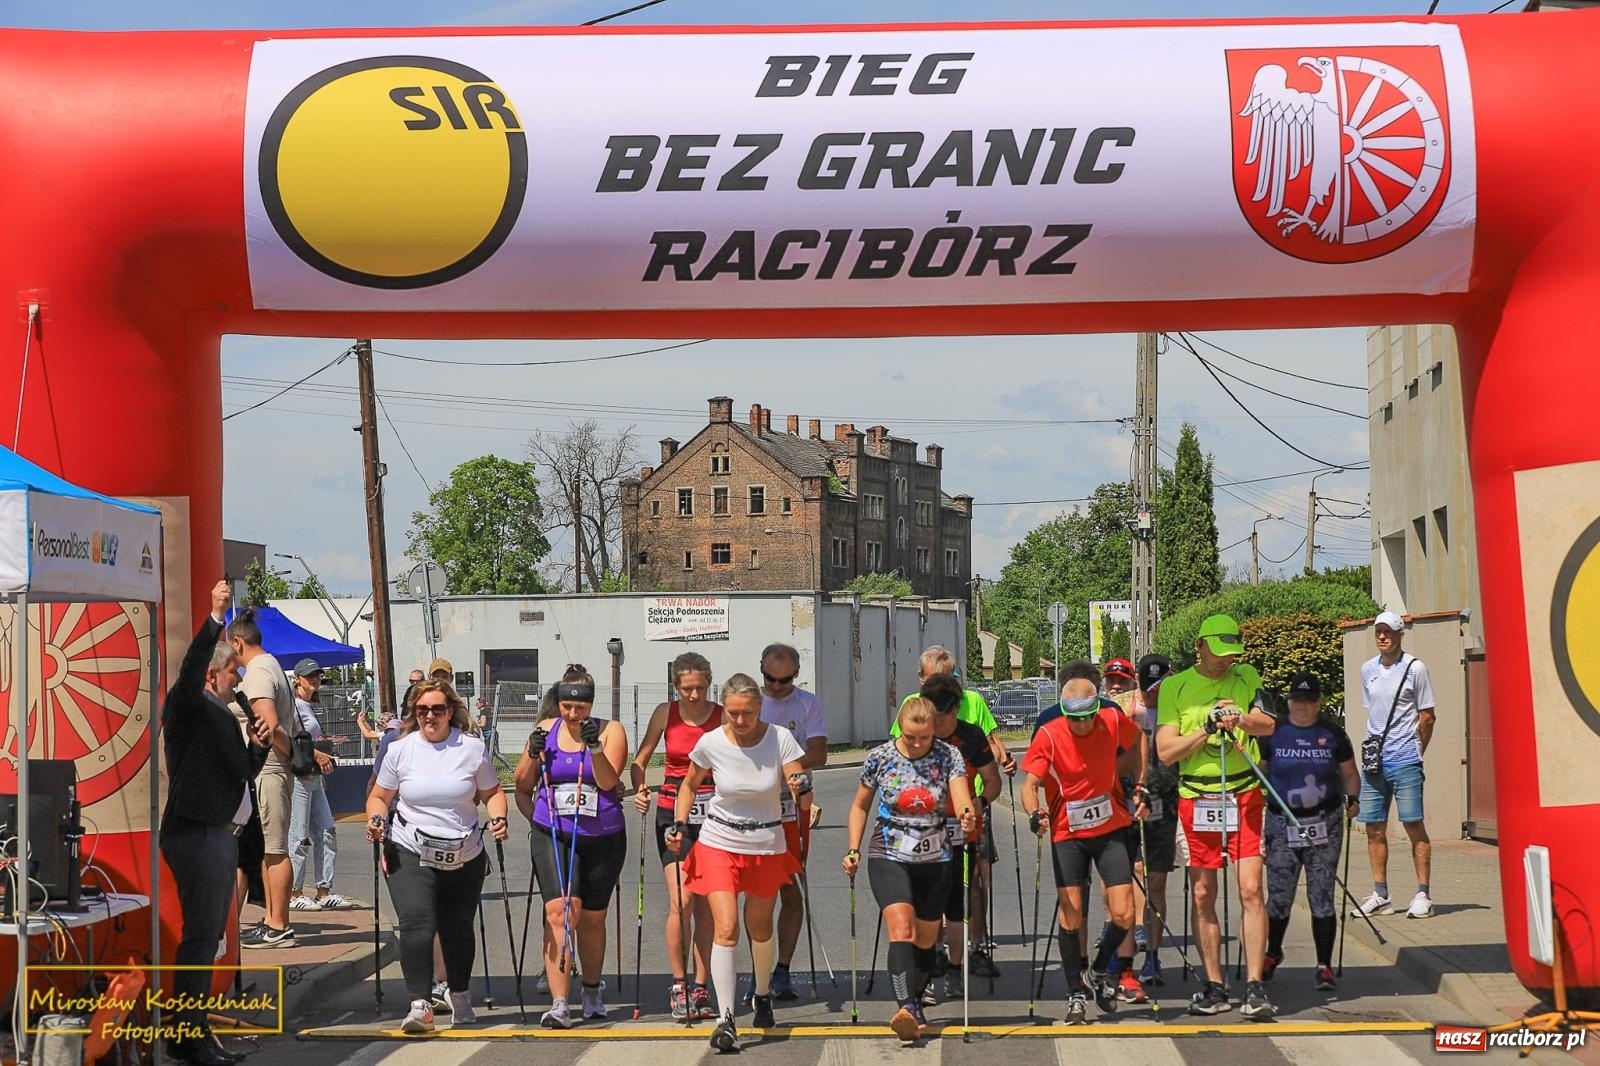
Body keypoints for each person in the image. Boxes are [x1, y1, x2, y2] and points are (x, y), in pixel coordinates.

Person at [665, 674, 806, 1053]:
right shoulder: (711, 742)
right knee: (725, 927)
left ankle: (762, 994)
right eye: (732, 713)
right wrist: (680, 823)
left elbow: (797, 779)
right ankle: (726, 1018)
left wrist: (801, 787)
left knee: (759, 927)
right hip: (718, 841)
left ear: (759, 709)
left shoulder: (780, 739)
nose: (739, 721)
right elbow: (689, 784)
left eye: (746, 713)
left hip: (765, 842)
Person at [160, 581, 267, 1066]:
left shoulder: (224, 716)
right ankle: (186, 1036)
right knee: (201, 936)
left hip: (219, 833)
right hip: (195, 830)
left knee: (208, 937)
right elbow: (186, 672)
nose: (237, 681)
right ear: (211, 673)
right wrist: (214, 617)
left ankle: (192, 1032)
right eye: (232, 672)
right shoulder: (188, 704)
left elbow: (242, 772)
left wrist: (260, 745)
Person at [1155, 614, 1280, 1020]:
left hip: (1243, 793)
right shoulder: (1176, 686)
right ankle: (1213, 985)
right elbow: (1165, 751)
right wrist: (1206, 730)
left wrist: (1239, 718)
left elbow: (1268, 724)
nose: (1227, 661)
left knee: (1250, 890)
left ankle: (1256, 986)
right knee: (1203, 893)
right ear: (1200, 646)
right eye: (1221, 653)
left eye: (1233, 654)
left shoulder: (1246, 676)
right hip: (1197, 797)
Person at [365, 681, 509, 1033]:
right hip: (409, 846)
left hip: (464, 851)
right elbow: (379, 795)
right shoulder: (400, 750)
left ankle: (459, 995)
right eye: (422, 710)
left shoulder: (471, 749)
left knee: (457, 928)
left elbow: (493, 793)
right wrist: (375, 819)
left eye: (438, 709)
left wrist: (499, 818)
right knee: (417, 922)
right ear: (415, 713)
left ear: (450, 712)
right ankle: (419, 1004)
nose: (430, 716)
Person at [843, 696, 978, 1041]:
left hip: (935, 858)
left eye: (925, 737)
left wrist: (966, 815)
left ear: (934, 731)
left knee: (926, 939)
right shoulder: (881, 757)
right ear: (899, 729)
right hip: (888, 852)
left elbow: (961, 796)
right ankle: (904, 1006)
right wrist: (854, 848)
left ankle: (916, 1002)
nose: (917, 745)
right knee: (900, 925)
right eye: (910, 737)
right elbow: (860, 806)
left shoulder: (948, 756)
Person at [1020, 677, 1146, 1025]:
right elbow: (1028, 785)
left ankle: (1101, 970)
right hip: (1068, 833)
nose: (1081, 723)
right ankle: (1075, 989)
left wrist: (1140, 784)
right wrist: (1034, 813)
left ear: (1096, 709)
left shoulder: (1110, 719)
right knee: (1071, 914)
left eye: (1086, 716)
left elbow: (1138, 740)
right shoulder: (1050, 733)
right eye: (1073, 718)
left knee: (1124, 913)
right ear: (1064, 713)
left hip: (1110, 828)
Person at [518, 667, 630, 1029]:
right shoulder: (545, 730)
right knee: (561, 913)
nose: (571, 715)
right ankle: (560, 1001)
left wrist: (593, 746)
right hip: (554, 832)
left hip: (602, 835)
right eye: (565, 706)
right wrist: (533, 754)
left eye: (579, 707)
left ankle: (592, 990)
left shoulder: (610, 730)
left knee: (592, 918)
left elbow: (610, 780)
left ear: (590, 705)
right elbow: (521, 783)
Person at [630, 652, 722, 1020]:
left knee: (706, 904)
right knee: (681, 900)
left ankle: (702, 986)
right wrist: (639, 787)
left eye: (700, 687)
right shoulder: (665, 713)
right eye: (687, 689)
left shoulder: (721, 716)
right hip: (672, 810)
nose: (694, 695)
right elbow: (641, 759)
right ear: (676, 687)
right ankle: (679, 983)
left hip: (714, 812)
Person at [1260, 672, 1360, 991]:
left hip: (1324, 822)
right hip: (1281, 823)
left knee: (1321, 895)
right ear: (1289, 701)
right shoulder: (1273, 731)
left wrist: (1353, 799)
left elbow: (1350, 774)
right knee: (1279, 896)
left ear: (1318, 703)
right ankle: (1273, 952)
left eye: (1309, 700)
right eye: (1297, 700)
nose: (1303, 706)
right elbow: (1259, 773)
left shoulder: (1332, 733)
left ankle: (1324, 965)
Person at [920, 675, 1001, 1000]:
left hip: (963, 826)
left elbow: (991, 781)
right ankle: (927, 968)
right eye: (932, 715)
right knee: (925, 902)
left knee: (963, 898)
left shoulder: (970, 735)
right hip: (924, 829)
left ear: (956, 710)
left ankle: (959, 964)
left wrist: (979, 804)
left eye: (944, 716)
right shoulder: (918, 733)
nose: (938, 723)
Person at [1353, 610, 1438, 920]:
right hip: (1375, 762)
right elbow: (1373, 712)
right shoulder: (1367, 669)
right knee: (1373, 827)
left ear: (1401, 633)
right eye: (1378, 631)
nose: (1382, 636)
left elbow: (1427, 716)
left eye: (1388, 631)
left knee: (1413, 825)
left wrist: (1416, 750)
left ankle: (1423, 895)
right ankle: (1381, 894)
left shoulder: (1416, 669)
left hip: (1405, 760)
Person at [758, 643, 828, 1000]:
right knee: (758, 892)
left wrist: (789, 765)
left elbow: (820, 752)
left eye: (784, 681)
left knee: (791, 887)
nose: (776, 687)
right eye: (770, 679)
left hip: (792, 805)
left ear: (795, 676)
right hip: (754, 806)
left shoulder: (806, 703)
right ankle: (758, 969)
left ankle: (782, 969)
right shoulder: (752, 703)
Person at [227, 609, 297, 948]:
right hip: (272, 766)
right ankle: (272, 920)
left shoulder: (257, 673)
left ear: (238, 643)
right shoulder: (271, 666)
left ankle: (279, 924)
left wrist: (284, 753)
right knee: (267, 849)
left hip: (266, 767)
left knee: (274, 848)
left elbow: (268, 724)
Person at [1132, 653, 1182, 989]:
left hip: (1166, 802)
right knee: (1133, 873)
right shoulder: (1125, 711)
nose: (1151, 693)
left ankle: (1152, 955)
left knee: (1158, 882)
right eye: (1146, 686)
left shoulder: (1180, 711)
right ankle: (1128, 936)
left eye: (1158, 686)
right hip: (1131, 802)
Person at [288, 659, 345, 911]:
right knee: (298, 835)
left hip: (314, 776)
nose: (314, 679)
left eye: (317, 675)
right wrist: (316, 753)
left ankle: (324, 890)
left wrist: (324, 753)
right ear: (297, 679)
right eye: (309, 675)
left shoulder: (310, 707)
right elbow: (288, 740)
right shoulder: (291, 706)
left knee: (326, 831)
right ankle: (294, 892)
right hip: (299, 778)